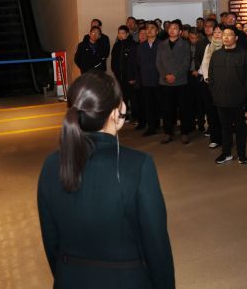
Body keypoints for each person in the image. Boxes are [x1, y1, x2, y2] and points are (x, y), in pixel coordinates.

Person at [37, 71, 174, 289]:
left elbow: (51, 242)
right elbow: (156, 246)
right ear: (116, 112)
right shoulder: (139, 165)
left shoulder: (51, 165)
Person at [208, 26, 247, 164]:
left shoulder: (244, 54)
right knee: (225, 127)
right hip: (220, 98)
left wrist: (244, 96)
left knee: (240, 127)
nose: (225, 37)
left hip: (238, 99)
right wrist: (215, 93)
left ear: (236, 38)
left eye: (229, 35)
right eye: (224, 34)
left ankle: (241, 154)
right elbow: (211, 76)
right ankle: (226, 153)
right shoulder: (216, 54)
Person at [156, 21, 193, 144]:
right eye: (170, 28)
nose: (172, 30)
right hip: (165, 81)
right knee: (167, 108)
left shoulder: (185, 44)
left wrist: (174, 75)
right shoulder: (161, 44)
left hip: (180, 81)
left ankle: (184, 132)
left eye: (175, 28)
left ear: (180, 32)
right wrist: (166, 75)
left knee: (183, 108)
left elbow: (186, 62)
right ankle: (168, 132)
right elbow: (158, 62)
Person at [199, 24, 224, 149]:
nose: (217, 34)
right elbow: (204, 63)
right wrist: (207, 77)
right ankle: (215, 138)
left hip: (222, 85)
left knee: (222, 113)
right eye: (215, 32)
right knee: (211, 112)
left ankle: (225, 139)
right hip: (209, 84)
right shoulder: (209, 46)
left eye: (220, 32)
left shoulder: (227, 46)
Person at [136, 21, 161, 136]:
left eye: (152, 28)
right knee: (148, 105)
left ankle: (165, 126)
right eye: (147, 28)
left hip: (160, 80)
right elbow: (139, 63)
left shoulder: (162, 44)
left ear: (157, 31)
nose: (149, 30)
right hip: (146, 80)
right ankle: (151, 127)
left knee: (161, 104)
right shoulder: (141, 46)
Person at [111, 25, 139, 121]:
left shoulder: (132, 45)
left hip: (130, 77)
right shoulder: (116, 45)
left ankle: (136, 117)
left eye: (123, 33)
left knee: (133, 98)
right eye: (119, 33)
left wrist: (133, 76)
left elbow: (135, 62)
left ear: (127, 34)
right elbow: (113, 61)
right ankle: (124, 115)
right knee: (123, 98)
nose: (120, 35)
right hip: (120, 77)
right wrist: (115, 72)